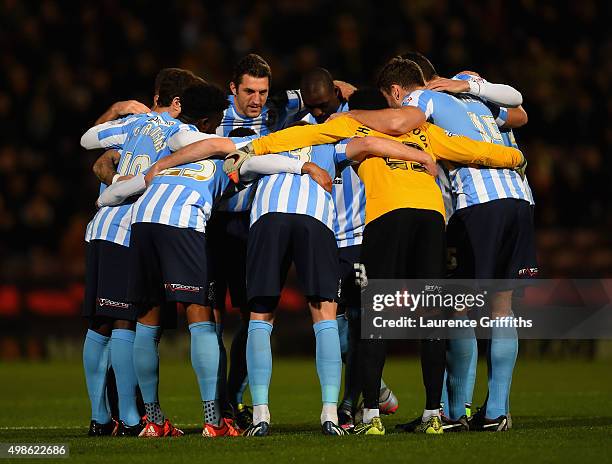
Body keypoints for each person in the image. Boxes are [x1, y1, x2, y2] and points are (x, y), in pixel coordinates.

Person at [220, 90, 525, 435]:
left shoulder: (354, 126)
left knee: (374, 317)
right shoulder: (425, 132)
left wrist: (252, 148)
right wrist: (514, 158)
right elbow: (475, 150)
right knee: (433, 320)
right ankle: (433, 415)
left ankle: (370, 417)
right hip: (430, 217)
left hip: (386, 216)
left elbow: (303, 134)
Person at [340, 57, 536, 432]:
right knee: (501, 306)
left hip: (478, 204)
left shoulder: (424, 99)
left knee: (457, 309)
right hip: (518, 198)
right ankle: (496, 412)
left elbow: (396, 123)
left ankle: (453, 412)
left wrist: (352, 113)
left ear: (399, 90)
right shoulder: (475, 100)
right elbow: (520, 112)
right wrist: (474, 87)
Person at [79, 68, 200, 436]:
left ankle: (101, 418)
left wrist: (116, 108)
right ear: (178, 103)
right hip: (127, 228)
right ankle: (131, 419)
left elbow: (87, 141)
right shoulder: (182, 133)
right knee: (123, 322)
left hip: (99, 225)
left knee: (99, 324)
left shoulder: (133, 122)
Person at [300, 69, 399, 430]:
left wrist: (355, 93)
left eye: (324, 104)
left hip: (359, 240)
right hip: (324, 238)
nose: (319, 113)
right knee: (336, 333)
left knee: (360, 325)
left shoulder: (357, 122)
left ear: (336, 96)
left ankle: (346, 404)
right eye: (313, 106)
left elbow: (382, 111)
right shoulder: (305, 127)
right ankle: (380, 388)